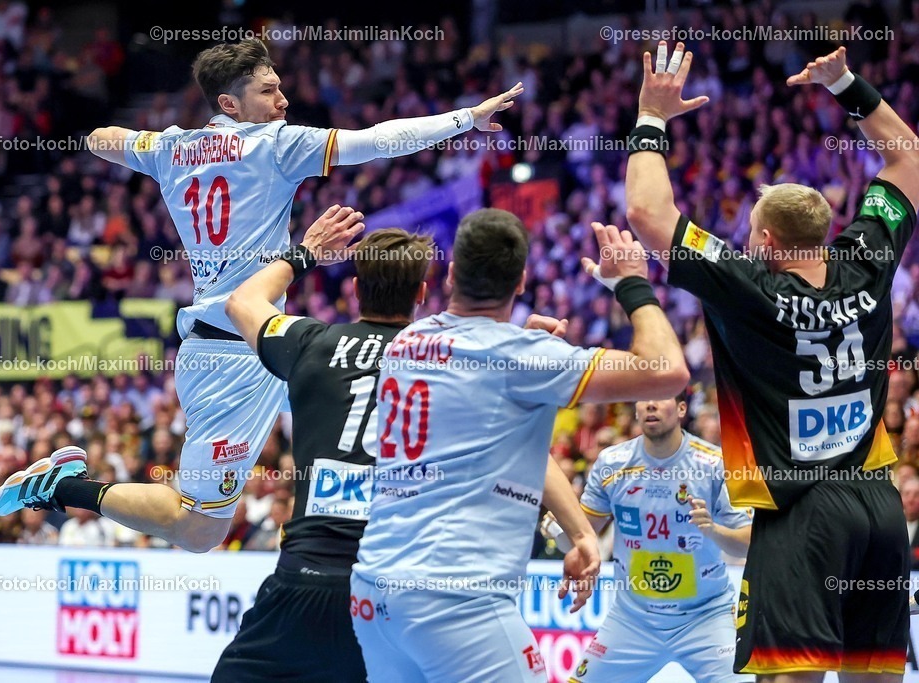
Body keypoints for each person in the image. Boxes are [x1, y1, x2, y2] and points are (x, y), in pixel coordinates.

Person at [0, 38, 523, 553]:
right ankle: (62, 487)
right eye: (269, 91)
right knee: (198, 527)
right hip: (237, 356)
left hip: (226, 346)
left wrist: (142, 143)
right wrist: (465, 119)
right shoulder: (276, 145)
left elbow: (101, 138)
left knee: (339, 411)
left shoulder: (173, 147)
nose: (283, 101)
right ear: (230, 103)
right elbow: (378, 139)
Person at [624, 42, 919, 680]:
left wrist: (651, 116)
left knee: (788, 674)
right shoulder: (866, 260)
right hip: (877, 506)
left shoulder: (749, 284)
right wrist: (846, 84)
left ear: (762, 241)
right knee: (877, 675)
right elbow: (909, 156)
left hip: (800, 512)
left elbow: (649, 215)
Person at [350, 208, 690, 682]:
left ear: (451, 275)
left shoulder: (407, 343)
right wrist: (632, 283)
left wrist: (580, 532)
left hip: (373, 593)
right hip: (455, 597)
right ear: (522, 281)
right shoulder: (523, 358)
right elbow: (667, 372)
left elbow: (491, 423)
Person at [558, 394, 751, 682]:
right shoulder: (612, 464)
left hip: (706, 617)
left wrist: (713, 530)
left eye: (661, 397)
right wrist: (562, 537)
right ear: (635, 409)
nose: (651, 404)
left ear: (682, 409)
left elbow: (749, 540)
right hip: (632, 620)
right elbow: (577, 535)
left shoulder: (714, 464)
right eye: (644, 398)